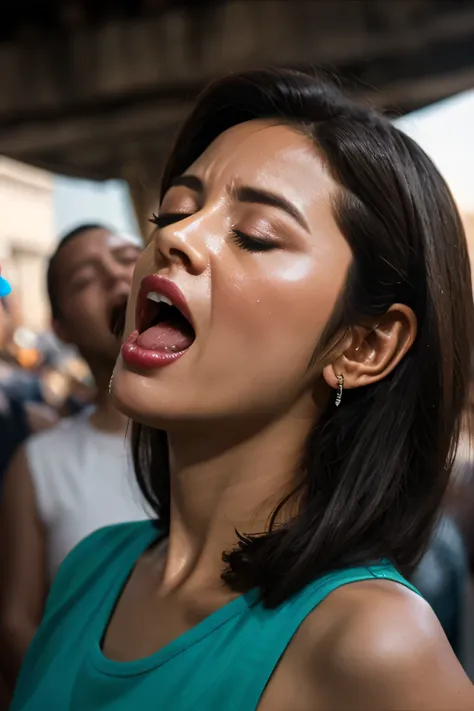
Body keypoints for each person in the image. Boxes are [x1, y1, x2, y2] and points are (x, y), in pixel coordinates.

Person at [10, 69, 474, 711]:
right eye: (172, 210)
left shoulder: (377, 647)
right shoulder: (90, 570)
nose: (174, 237)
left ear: (365, 346)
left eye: (254, 234)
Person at [1, 224, 148, 693]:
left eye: (128, 256)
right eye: (83, 280)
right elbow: (17, 625)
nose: (115, 276)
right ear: (60, 327)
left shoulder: (235, 431)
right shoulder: (41, 463)